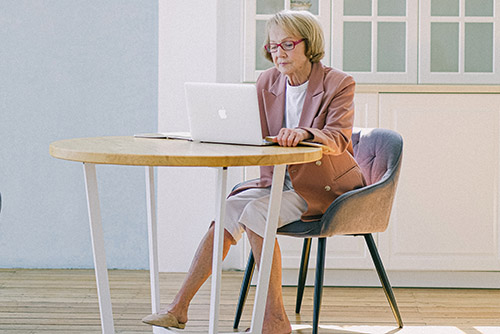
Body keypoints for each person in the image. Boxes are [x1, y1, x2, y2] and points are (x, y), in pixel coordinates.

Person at [142, 10, 365, 334]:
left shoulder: (337, 83)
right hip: (276, 180)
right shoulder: (267, 81)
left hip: (322, 187)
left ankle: (274, 320)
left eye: (287, 44)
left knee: (257, 214)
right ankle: (179, 309)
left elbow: (340, 137)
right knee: (229, 210)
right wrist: (216, 133)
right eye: (273, 47)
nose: (279, 53)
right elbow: (254, 133)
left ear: (309, 44)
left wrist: (304, 133)